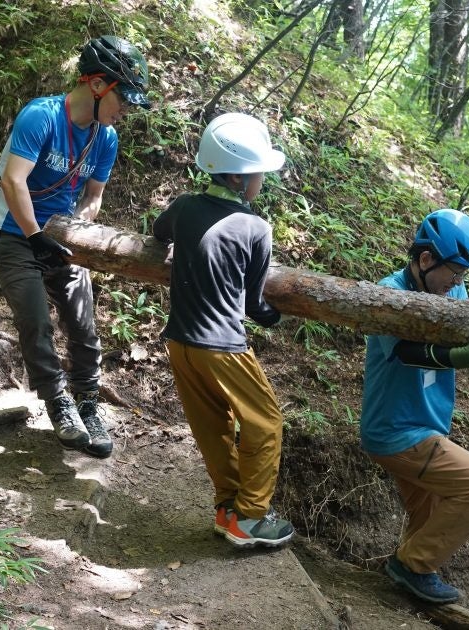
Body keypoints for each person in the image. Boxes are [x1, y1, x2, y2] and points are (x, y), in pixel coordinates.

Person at [0, 35, 150, 458]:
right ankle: (58, 403)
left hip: (61, 238)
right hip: (14, 233)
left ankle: (88, 404)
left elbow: (93, 196)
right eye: (123, 98)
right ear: (97, 85)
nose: (126, 110)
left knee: (83, 324)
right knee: (36, 322)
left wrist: (77, 227)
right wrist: (34, 236)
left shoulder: (106, 138)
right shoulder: (40, 116)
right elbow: (13, 179)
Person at [152, 113, 294, 549]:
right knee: (266, 423)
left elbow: (159, 233)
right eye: (258, 175)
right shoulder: (256, 228)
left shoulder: (183, 206)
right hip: (222, 345)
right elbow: (253, 304)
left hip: (179, 342)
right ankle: (250, 518)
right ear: (236, 177)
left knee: (213, 426)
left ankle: (226, 508)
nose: (262, 182)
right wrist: (275, 315)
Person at [360, 208, 469, 604]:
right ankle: (410, 566)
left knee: (426, 522)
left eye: (464, 277)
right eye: (454, 273)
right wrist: (466, 356)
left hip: (427, 428)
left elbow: (461, 329)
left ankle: (404, 591)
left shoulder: (453, 293)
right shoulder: (388, 295)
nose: (458, 284)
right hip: (398, 432)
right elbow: (408, 353)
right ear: (426, 260)